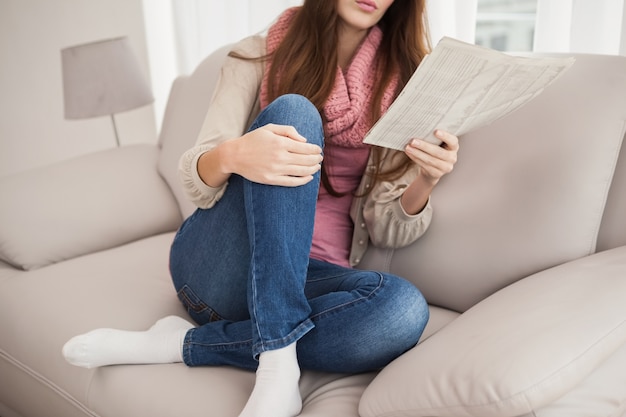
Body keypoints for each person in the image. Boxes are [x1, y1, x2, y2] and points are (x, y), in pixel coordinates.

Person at [62, 1, 460, 416]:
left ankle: (183, 344)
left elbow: (386, 228)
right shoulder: (257, 55)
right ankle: (278, 366)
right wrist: (236, 155)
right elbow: (196, 183)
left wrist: (426, 180)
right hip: (224, 267)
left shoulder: (405, 85)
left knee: (403, 310)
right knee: (295, 113)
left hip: (311, 277)